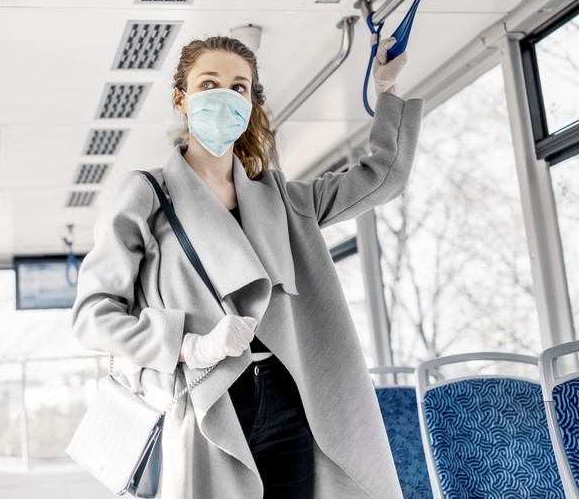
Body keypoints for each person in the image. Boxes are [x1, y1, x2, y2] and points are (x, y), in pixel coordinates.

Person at [71, 35, 422, 498]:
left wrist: (386, 90)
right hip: (207, 399)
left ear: (251, 102)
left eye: (238, 87)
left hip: (286, 393)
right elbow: (92, 315)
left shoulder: (281, 199)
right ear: (182, 98)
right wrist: (184, 345)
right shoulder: (147, 195)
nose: (224, 97)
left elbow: (383, 177)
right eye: (208, 83)